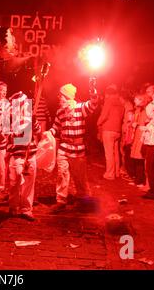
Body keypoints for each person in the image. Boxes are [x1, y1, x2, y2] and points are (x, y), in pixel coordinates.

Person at [49, 83, 99, 213]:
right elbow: (56, 127)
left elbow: (93, 104)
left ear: (67, 96)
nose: (59, 97)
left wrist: (93, 91)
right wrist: (49, 133)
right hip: (64, 148)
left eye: (61, 95)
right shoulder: (60, 112)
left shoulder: (80, 108)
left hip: (78, 149)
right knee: (62, 174)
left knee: (80, 176)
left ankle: (83, 197)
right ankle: (61, 200)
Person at [6, 91, 40, 221]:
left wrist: (34, 121)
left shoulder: (31, 117)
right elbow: (6, 136)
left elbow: (38, 132)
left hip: (29, 155)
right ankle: (13, 206)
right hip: (17, 155)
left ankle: (26, 209)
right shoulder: (8, 118)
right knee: (14, 182)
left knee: (29, 183)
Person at [97, 86, 125, 180]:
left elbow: (104, 115)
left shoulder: (108, 101)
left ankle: (110, 174)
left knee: (109, 153)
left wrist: (98, 122)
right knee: (116, 153)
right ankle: (116, 172)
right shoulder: (121, 103)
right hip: (117, 130)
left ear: (108, 94)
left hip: (108, 129)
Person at [141, 84, 154, 200]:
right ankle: (153, 189)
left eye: (149, 91)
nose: (148, 93)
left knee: (151, 166)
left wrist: (149, 123)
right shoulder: (153, 103)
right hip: (151, 137)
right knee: (150, 166)